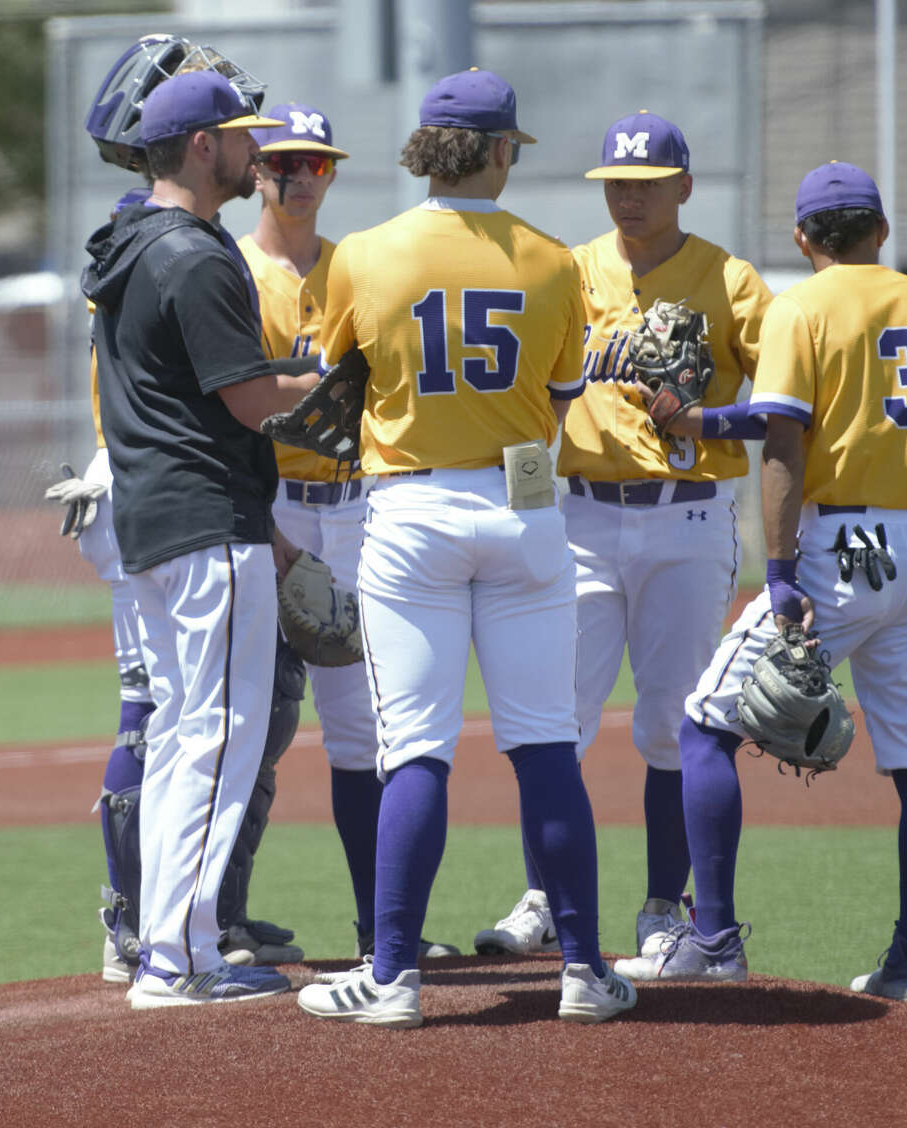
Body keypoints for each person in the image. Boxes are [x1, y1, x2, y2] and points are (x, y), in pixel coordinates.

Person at [613, 161, 907, 1002]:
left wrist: (780, 572)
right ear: (881, 231)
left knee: (704, 726)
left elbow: (785, 440)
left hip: (842, 549)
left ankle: (711, 939)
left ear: (801, 238)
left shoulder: (803, 308)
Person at [295, 68, 637, 1027]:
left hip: (407, 512)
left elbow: (336, 381)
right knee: (544, 748)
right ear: (498, 150)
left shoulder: (364, 253)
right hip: (525, 510)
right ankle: (582, 971)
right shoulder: (554, 258)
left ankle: (394, 976)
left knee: (414, 753)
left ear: (421, 149)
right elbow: (564, 396)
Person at [474, 111, 772, 966]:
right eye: (616, 184)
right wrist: (530, 506)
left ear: (684, 185)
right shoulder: (569, 272)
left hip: (689, 513)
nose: (629, 197)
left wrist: (712, 415)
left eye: (645, 183)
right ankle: (544, 897)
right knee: (552, 717)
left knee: (675, 723)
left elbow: (788, 395)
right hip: (582, 515)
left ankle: (660, 909)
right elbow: (533, 401)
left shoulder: (729, 279)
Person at [56, 37, 307, 986]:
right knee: (219, 733)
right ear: (201, 147)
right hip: (208, 517)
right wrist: (321, 382)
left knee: (179, 734)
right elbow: (246, 399)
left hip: (153, 521)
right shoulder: (194, 254)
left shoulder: (127, 243)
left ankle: (164, 944)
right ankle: (183, 958)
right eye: (241, 139)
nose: (256, 154)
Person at [238, 103, 458, 962]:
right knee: (249, 717)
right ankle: (220, 919)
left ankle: (383, 933)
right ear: (255, 171)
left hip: (360, 507)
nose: (299, 177)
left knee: (366, 727)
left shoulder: (357, 269)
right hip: (273, 502)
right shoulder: (233, 271)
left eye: (317, 164)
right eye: (283, 162)